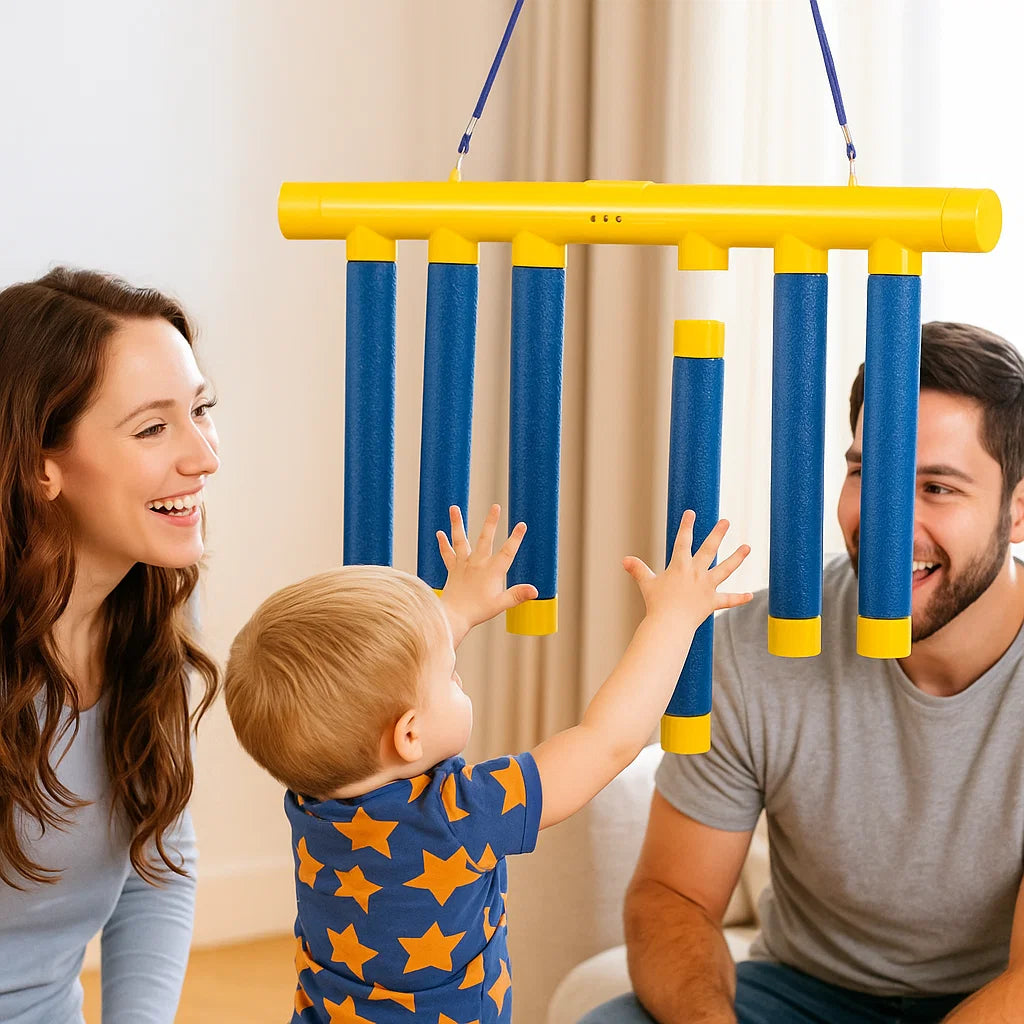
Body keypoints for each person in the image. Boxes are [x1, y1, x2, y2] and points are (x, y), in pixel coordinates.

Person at [581, 321, 1024, 1024]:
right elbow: (673, 896)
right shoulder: (755, 644)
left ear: (1018, 507)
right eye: (863, 473)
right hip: (804, 993)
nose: (884, 521)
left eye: (936, 486)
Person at [223, 501, 751, 1022]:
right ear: (409, 734)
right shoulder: (460, 814)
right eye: (450, 673)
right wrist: (673, 620)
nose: (458, 676)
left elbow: (367, 694)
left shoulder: (313, 798)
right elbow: (607, 741)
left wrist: (452, 613)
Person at [0, 268, 221, 1023]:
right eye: (153, 427)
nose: (203, 457)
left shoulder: (149, 619)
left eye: (202, 411)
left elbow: (157, 864)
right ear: (39, 463)